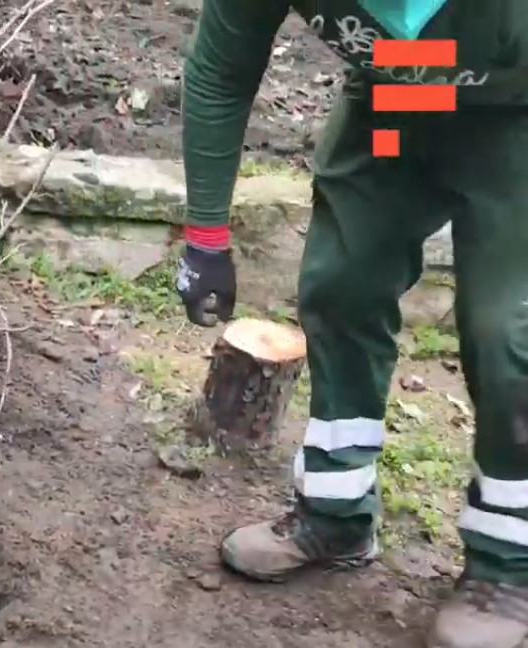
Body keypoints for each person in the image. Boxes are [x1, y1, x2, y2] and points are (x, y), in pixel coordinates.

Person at [175, 1, 528, 646]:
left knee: (508, 331)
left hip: (516, 126)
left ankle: (508, 567)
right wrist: (204, 237)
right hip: (397, 112)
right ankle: (334, 512)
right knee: (342, 283)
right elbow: (221, 73)